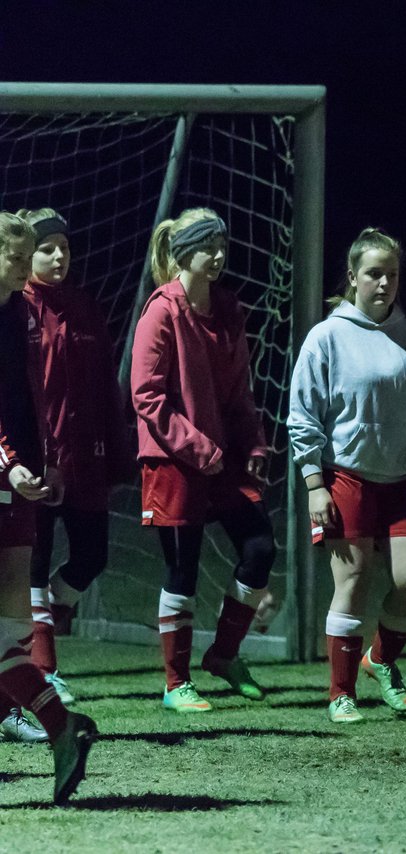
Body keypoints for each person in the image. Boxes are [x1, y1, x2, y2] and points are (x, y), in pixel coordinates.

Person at [288, 228, 406, 724]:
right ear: (353, 277)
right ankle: (341, 693)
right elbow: (303, 414)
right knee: (353, 580)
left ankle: (379, 659)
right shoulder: (327, 337)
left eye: (392, 274)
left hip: (405, 482)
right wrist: (315, 483)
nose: (384, 283)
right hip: (347, 478)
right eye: (374, 274)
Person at [131, 207, 276, 712]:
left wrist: (253, 445)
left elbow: (239, 394)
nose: (218, 256)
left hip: (221, 458)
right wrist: (198, 448)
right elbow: (147, 397)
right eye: (207, 247)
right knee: (183, 569)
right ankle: (176, 684)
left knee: (260, 547)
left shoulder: (229, 309)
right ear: (183, 254)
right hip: (174, 459)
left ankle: (224, 655)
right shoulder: (161, 311)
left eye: (222, 246)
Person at [18, 209, 132, 710]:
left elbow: (107, 387)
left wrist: (117, 453)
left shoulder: (85, 307)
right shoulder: (15, 309)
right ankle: (45, 672)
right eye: (47, 248)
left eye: (64, 247)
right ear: (28, 255)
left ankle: (45, 626)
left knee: (92, 555)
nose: (58, 256)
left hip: (85, 459)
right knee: (33, 566)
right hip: (35, 461)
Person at [0, 211, 96, 803]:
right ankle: (62, 728)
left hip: (13, 479)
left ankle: (60, 728)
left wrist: (37, 460)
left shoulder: (22, 315)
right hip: (10, 474)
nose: (26, 264)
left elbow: (33, 400)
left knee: (8, 626)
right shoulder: (19, 314)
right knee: (6, 633)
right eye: (19, 256)